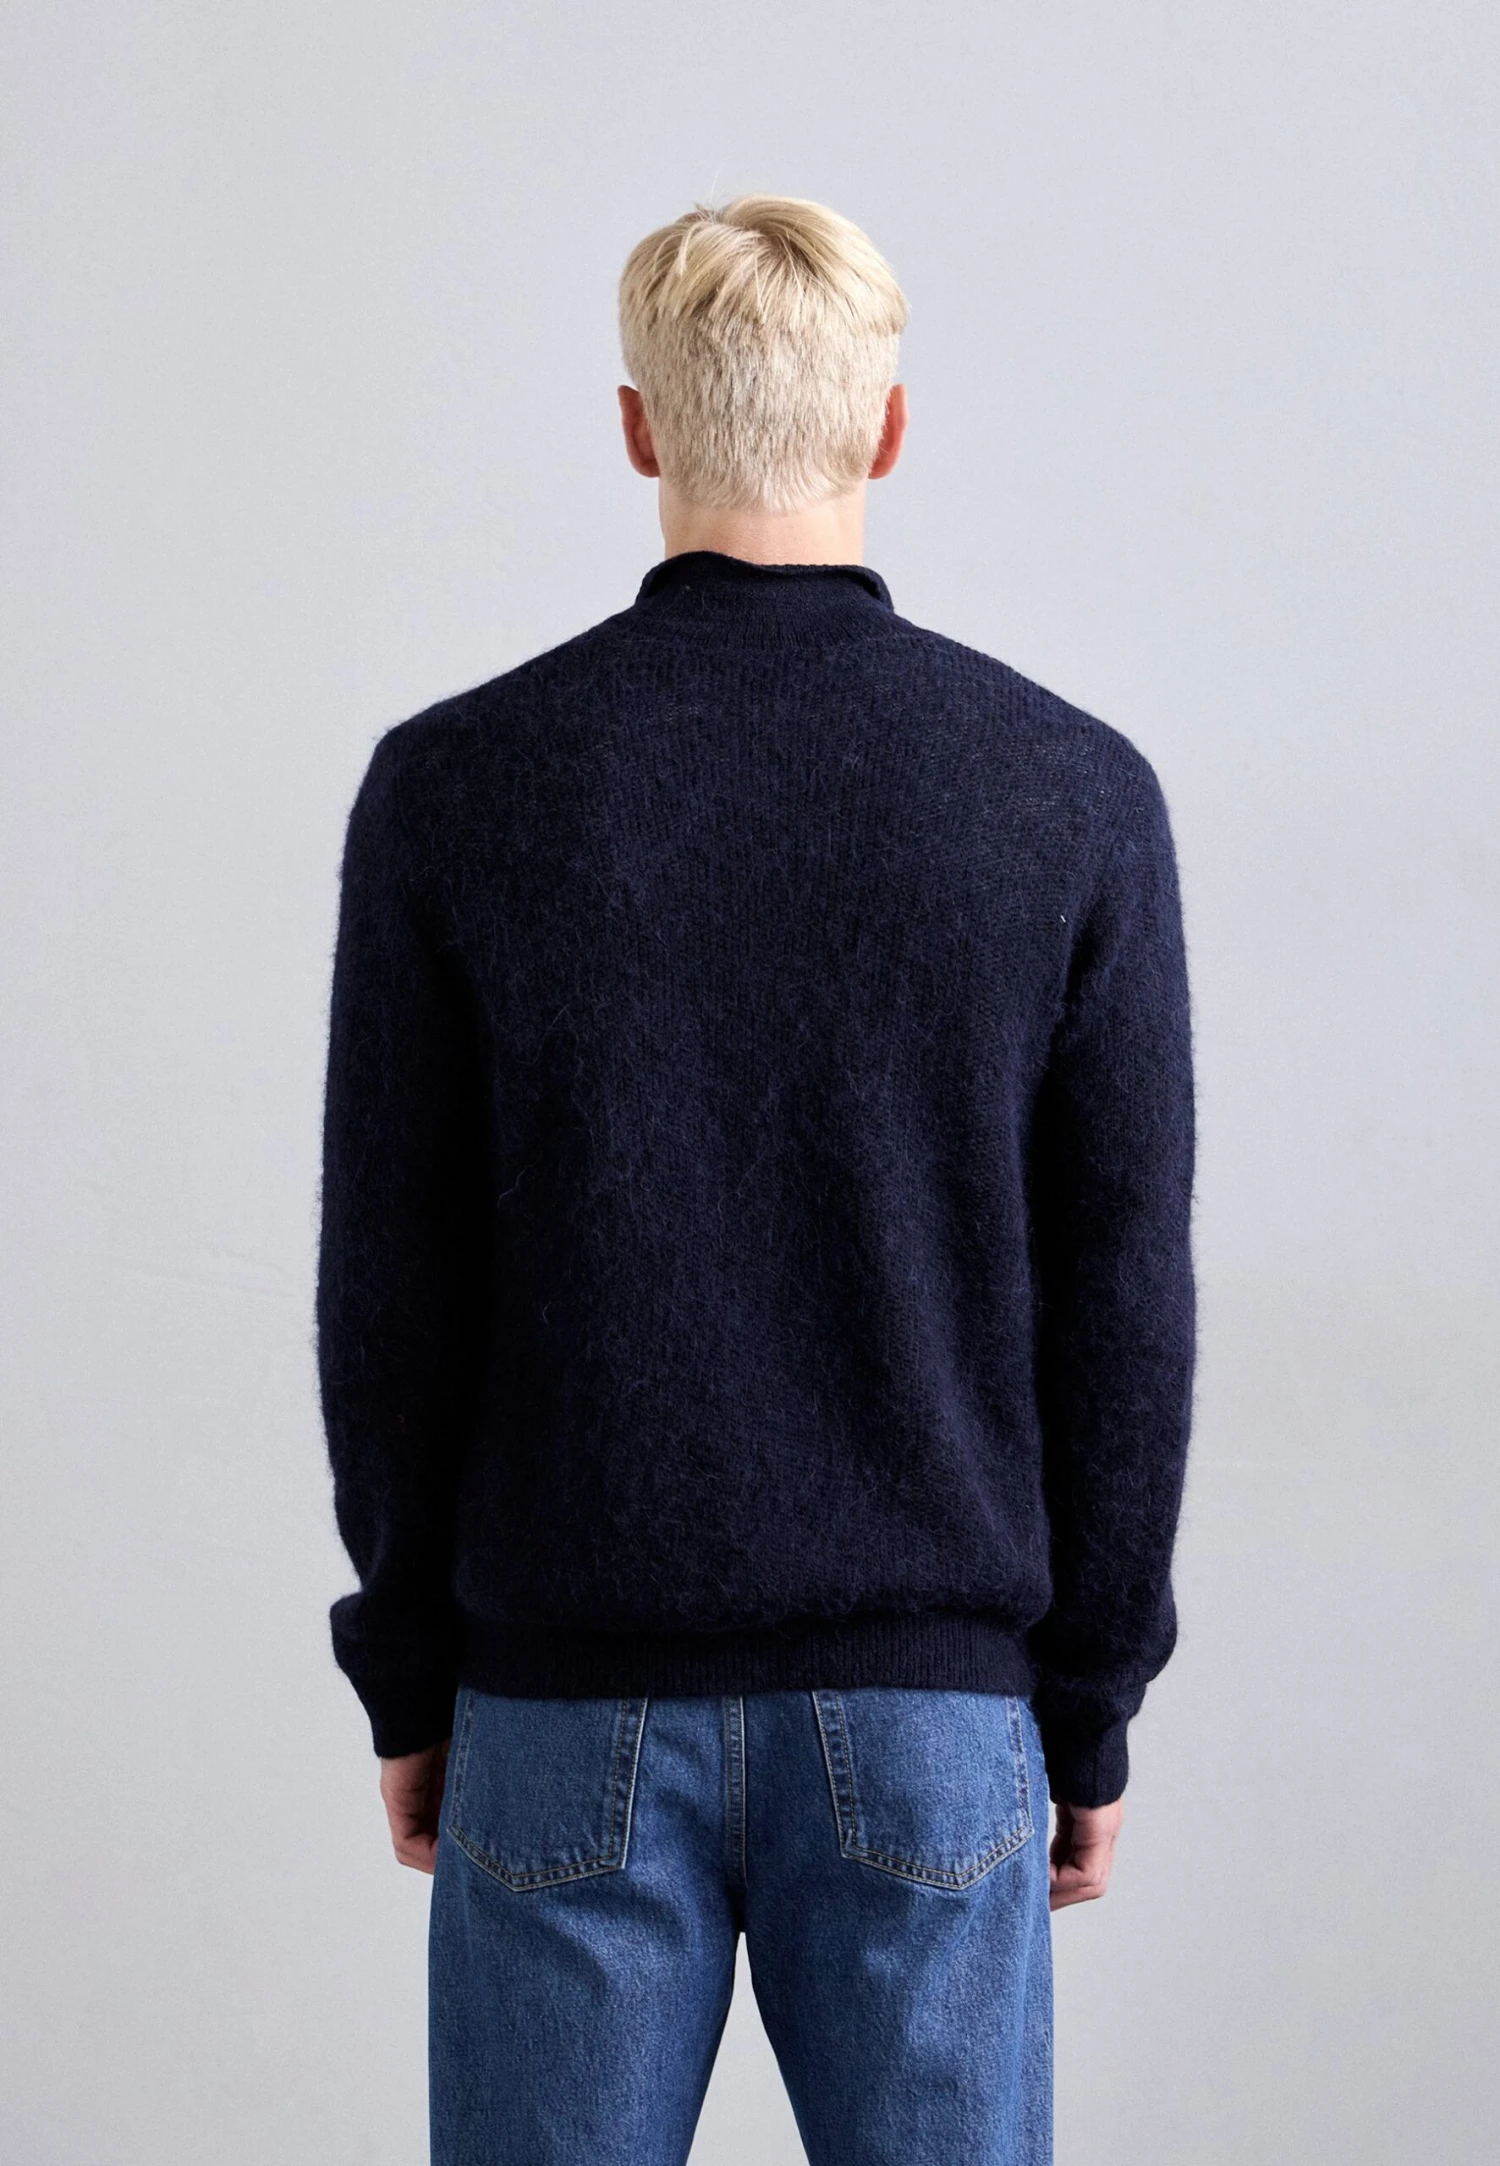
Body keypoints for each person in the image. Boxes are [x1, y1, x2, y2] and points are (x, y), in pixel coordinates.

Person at [316, 193, 1196, 2166]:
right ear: (889, 425)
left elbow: (391, 1286)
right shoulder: (1071, 792)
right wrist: (1091, 1694)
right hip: (932, 1709)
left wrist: (411, 1670)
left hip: (562, 1698)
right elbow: (1124, 1299)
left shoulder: (456, 785)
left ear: (639, 426)